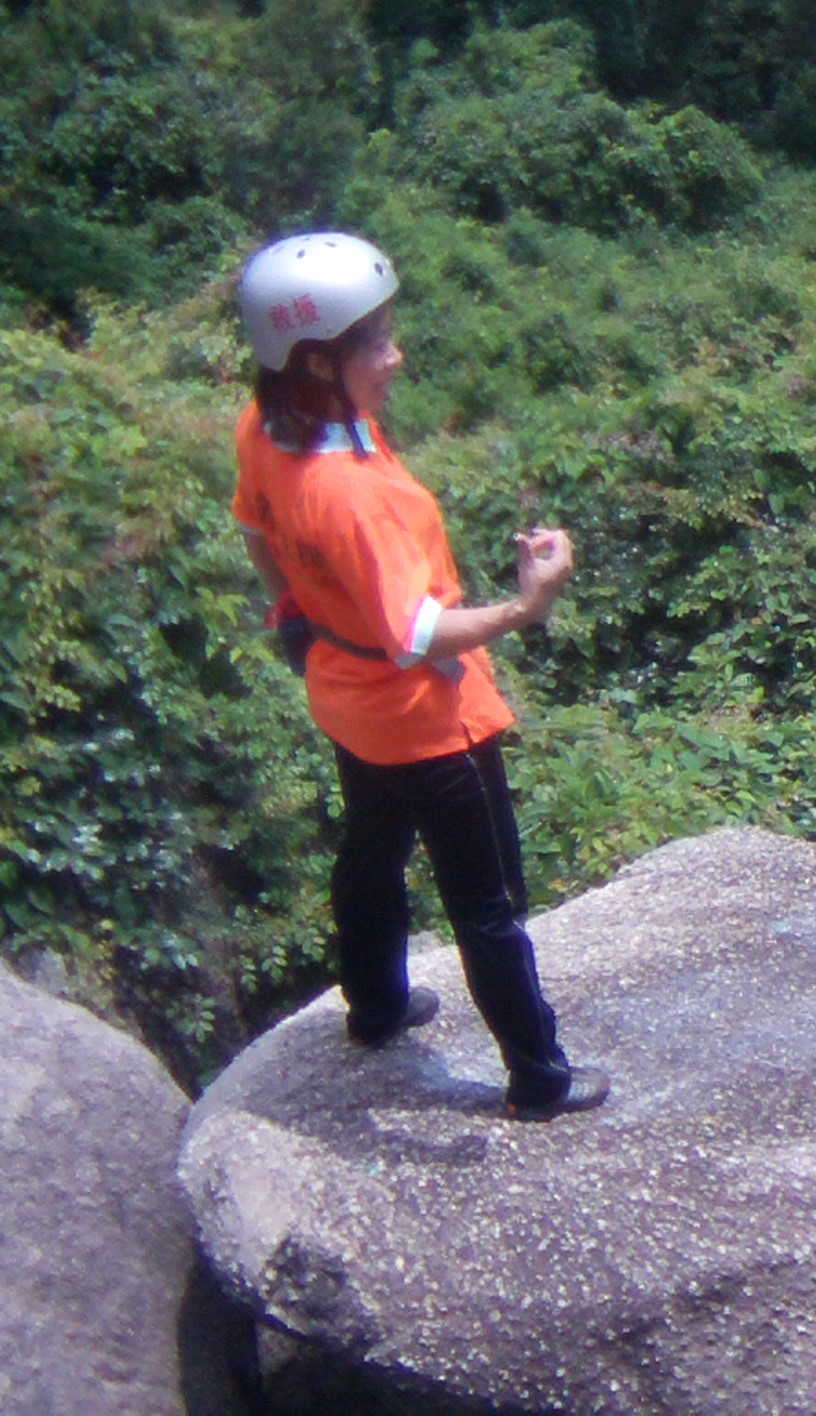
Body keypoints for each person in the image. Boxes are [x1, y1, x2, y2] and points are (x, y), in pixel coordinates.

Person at [229, 232, 609, 1121]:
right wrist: (528, 605)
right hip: (425, 718)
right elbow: (419, 635)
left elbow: (253, 526)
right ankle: (539, 1078)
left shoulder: (267, 423)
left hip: (346, 693)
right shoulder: (355, 495)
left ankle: (376, 1005)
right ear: (321, 361)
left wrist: (294, 616)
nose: (396, 356)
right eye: (377, 344)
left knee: (371, 846)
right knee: (488, 902)